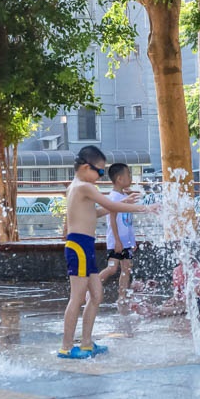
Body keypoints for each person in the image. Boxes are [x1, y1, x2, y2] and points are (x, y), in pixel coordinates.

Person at [60, 145, 156, 359]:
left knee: (96, 294)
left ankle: (86, 343)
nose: (101, 176)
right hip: (79, 246)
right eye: (100, 171)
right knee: (77, 297)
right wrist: (145, 208)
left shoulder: (76, 186)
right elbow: (110, 205)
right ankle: (66, 347)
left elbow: (96, 212)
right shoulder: (85, 187)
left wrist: (122, 201)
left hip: (84, 246)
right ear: (86, 167)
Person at [100, 162, 138, 308]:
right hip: (116, 241)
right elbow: (112, 220)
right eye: (128, 175)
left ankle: (122, 297)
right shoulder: (113, 198)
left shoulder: (124, 196)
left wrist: (132, 240)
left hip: (126, 241)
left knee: (126, 268)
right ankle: (91, 286)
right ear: (119, 179)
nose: (131, 177)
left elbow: (129, 222)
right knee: (112, 268)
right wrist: (116, 240)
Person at [128, 259, 200, 317]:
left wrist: (181, 300)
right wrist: (174, 299)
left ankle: (156, 311)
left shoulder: (198, 270)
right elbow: (177, 290)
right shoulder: (176, 270)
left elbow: (195, 291)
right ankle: (154, 310)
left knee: (184, 305)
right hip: (184, 299)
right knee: (172, 303)